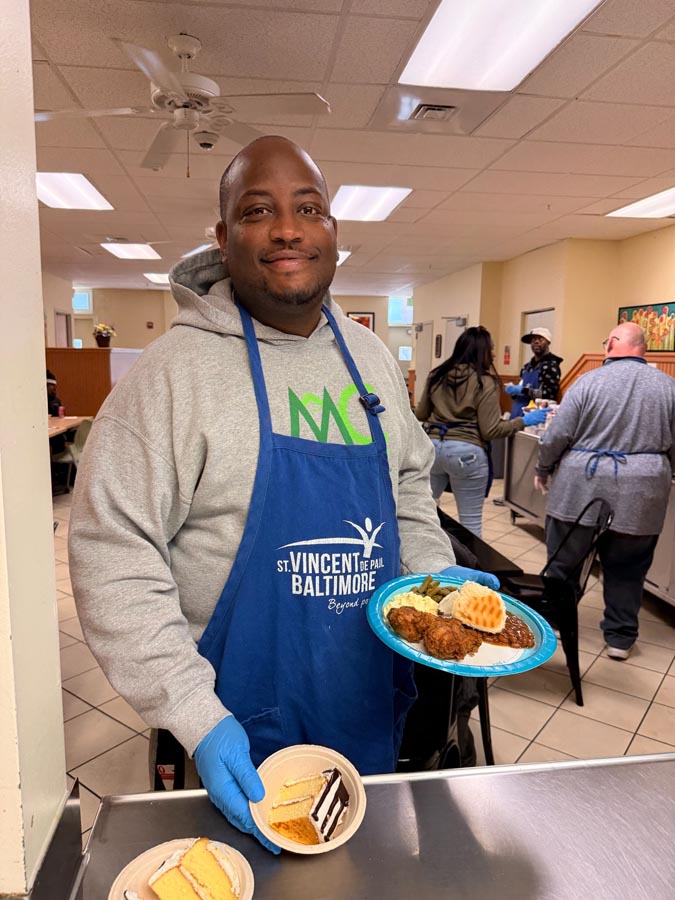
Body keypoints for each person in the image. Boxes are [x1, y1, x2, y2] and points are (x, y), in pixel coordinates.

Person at [68, 135, 498, 852]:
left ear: (333, 232)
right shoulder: (172, 376)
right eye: (257, 210)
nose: (288, 228)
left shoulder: (368, 361)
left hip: (365, 686)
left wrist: (434, 582)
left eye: (309, 209)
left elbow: (407, 489)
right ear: (223, 237)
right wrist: (193, 715)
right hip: (232, 707)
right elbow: (112, 551)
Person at [534, 322, 675, 660]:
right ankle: (620, 639)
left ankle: (555, 620)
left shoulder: (587, 381)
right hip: (643, 491)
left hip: (580, 485)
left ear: (612, 343)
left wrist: (543, 467)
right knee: (629, 567)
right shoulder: (668, 387)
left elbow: (558, 434)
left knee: (565, 560)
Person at [414, 327, 549, 537]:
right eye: (491, 349)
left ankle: (428, 564)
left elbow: (421, 412)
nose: (494, 354)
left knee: (425, 517)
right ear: (482, 351)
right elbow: (491, 430)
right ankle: (468, 568)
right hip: (466, 452)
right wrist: (523, 421)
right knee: (470, 523)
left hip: (432, 448)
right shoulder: (484, 381)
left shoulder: (437, 375)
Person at [504, 327, 562, 419]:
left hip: (535, 417)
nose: (536, 342)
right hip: (517, 414)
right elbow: (521, 389)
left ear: (548, 342)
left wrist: (523, 390)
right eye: (533, 340)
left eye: (540, 339)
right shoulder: (526, 367)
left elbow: (549, 394)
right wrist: (513, 393)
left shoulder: (551, 366)